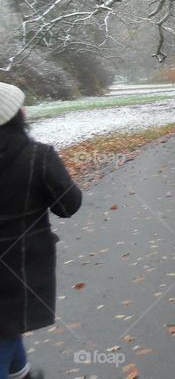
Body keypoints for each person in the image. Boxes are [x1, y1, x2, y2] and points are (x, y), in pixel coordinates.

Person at [0, 82, 82, 379]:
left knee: (6, 326)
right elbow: (68, 205)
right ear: (14, 115)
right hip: (21, 263)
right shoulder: (38, 156)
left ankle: (22, 374)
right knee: (5, 331)